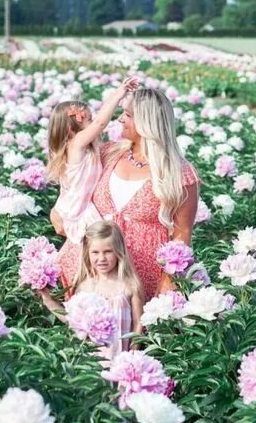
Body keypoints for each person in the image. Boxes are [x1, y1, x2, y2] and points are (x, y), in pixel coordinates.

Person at [57, 87, 199, 300]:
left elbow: (182, 234)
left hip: (141, 278)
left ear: (147, 122)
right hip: (86, 268)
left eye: (128, 115)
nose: (120, 119)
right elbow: (74, 184)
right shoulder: (108, 153)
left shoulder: (179, 173)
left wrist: (169, 282)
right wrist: (58, 212)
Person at [47, 77, 137, 246]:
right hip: (77, 210)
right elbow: (101, 122)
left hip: (75, 206)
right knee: (102, 247)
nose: (93, 124)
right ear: (71, 129)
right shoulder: (76, 145)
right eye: (88, 120)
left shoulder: (84, 148)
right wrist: (120, 93)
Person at [40, 221, 143, 357]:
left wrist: (134, 352)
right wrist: (47, 300)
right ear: (87, 253)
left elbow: (138, 323)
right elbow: (71, 320)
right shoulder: (84, 286)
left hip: (120, 360)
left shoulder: (129, 286)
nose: (101, 258)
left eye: (108, 252)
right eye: (95, 252)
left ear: (119, 251)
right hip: (91, 364)